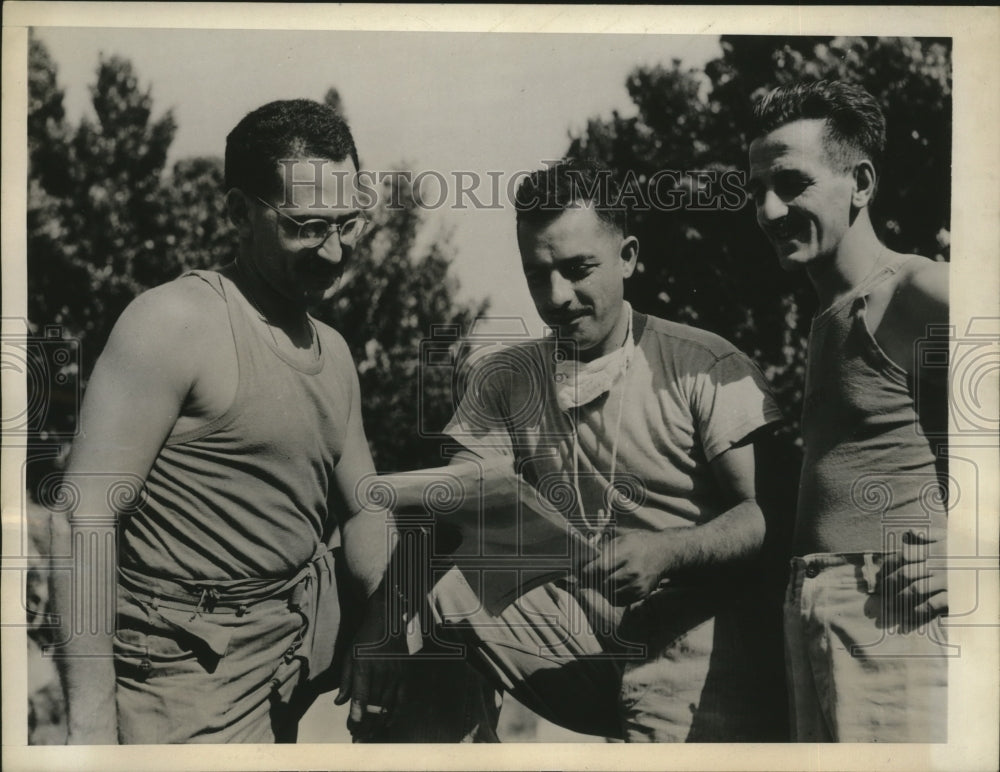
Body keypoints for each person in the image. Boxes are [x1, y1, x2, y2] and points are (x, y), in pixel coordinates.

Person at [376, 159, 788, 741]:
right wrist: (383, 638)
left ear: (628, 257)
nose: (556, 297)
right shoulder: (506, 377)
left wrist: (670, 551)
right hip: (575, 635)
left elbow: (769, 514)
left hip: (692, 642)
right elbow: (451, 510)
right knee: (441, 589)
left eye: (577, 270)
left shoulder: (704, 363)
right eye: (536, 273)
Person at [48, 99, 401, 743]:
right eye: (307, 226)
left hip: (299, 625)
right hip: (191, 658)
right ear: (239, 212)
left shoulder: (335, 351)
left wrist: (384, 627)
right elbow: (85, 518)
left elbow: (365, 510)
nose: (334, 251)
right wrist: (92, 723)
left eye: (349, 224)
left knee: (450, 601)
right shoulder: (175, 322)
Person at [747, 80, 950, 742]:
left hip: (892, 611)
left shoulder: (913, 289)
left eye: (792, 184)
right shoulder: (831, 316)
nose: (770, 211)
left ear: (859, 183)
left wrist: (973, 547)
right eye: (758, 192)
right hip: (816, 610)